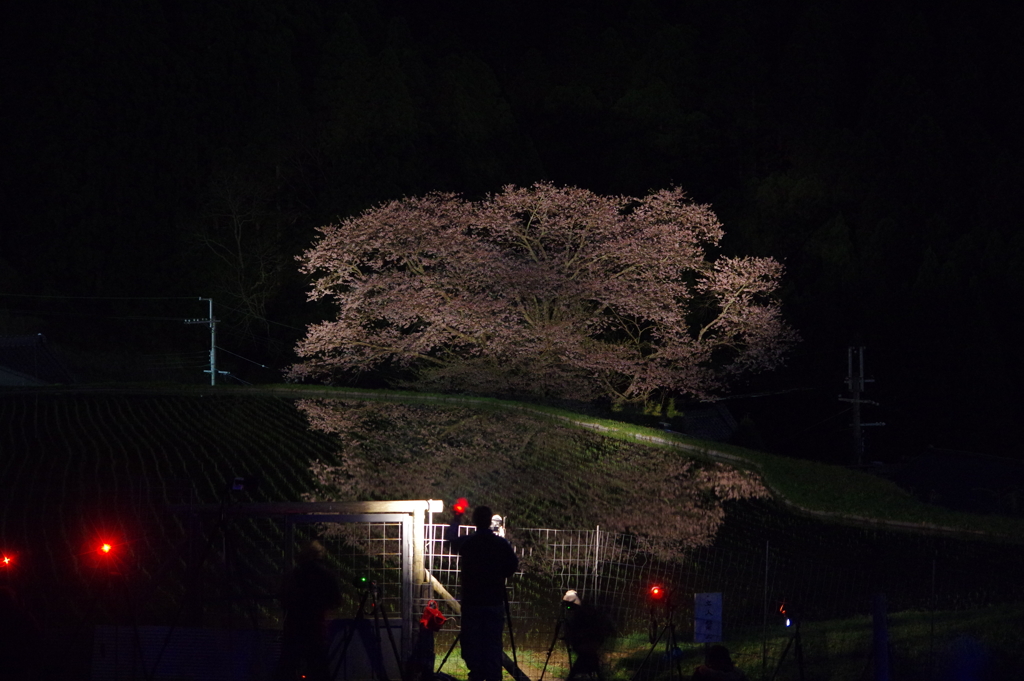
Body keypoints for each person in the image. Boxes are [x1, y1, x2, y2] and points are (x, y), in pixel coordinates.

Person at [445, 503, 519, 681]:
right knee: (492, 647)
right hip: (494, 602)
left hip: (472, 604)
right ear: (489, 521)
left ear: (474, 521)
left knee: (472, 647)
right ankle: (493, 676)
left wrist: (456, 518)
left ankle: (476, 675)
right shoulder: (500, 544)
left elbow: (450, 540)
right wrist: (499, 574)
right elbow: (513, 564)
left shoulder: (469, 543)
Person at [273, 540, 343, 681]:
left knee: (287, 667)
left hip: (293, 626)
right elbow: (336, 600)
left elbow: (283, 598)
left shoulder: (293, 574)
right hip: (315, 627)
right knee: (319, 667)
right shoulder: (326, 575)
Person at [562, 590, 614, 680]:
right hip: (588, 643)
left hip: (588, 643)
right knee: (591, 658)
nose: (568, 608)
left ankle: (574, 676)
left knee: (586, 658)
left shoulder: (583, 614)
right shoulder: (584, 613)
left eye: (569, 605)